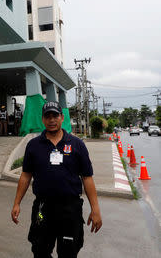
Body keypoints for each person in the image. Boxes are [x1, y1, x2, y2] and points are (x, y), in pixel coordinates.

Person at [11, 101, 102, 258]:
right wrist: (17, 203)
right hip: (42, 208)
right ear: (42, 119)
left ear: (61, 117)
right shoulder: (33, 145)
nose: (51, 120)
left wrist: (95, 209)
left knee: (68, 252)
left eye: (55, 116)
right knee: (40, 251)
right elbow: (26, 175)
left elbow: (87, 177)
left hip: (70, 209)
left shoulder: (77, 145)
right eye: (48, 116)